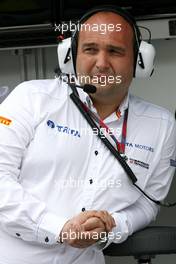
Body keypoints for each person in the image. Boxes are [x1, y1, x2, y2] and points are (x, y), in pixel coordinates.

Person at [0, 5, 176, 264]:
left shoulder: (161, 125)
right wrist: (59, 228)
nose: (102, 63)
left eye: (115, 51)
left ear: (140, 61)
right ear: (70, 57)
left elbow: (149, 204)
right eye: (90, 49)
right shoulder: (31, 98)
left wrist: (113, 225)